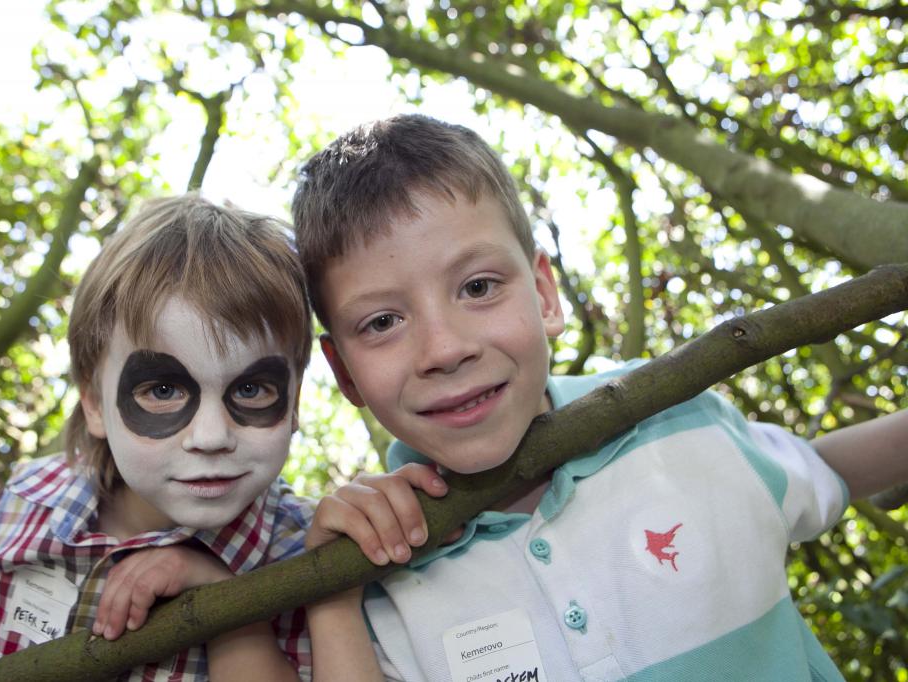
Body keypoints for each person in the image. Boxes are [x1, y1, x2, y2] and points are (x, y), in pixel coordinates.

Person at [292, 114, 908, 681]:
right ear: (344, 373)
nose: (444, 349)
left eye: (478, 286)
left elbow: (818, 469)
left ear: (545, 296)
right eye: (381, 323)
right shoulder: (379, 576)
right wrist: (334, 598)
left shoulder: (674, 422)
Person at [0, 195, 318, 680]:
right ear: (94, 402)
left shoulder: (307, 554)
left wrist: (221, 596)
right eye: (162, 389)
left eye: (250, 388)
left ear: (295, 401)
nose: (210, 437)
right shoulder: (25, 502)